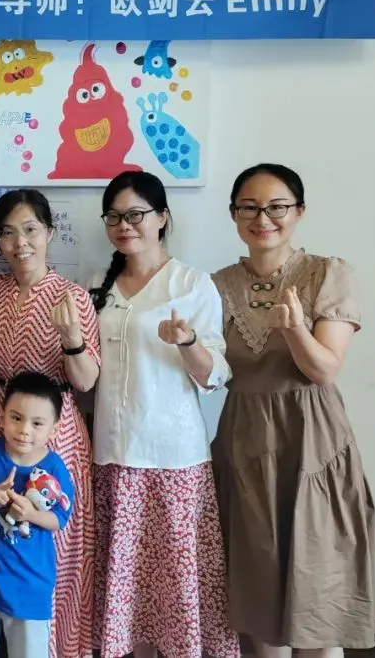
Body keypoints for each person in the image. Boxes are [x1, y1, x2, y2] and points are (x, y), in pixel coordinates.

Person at [211, 163, 375, 658]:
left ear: (299, 211)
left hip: (312, 443)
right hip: (244, 442)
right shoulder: (215, 286)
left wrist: (296, 330)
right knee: (257, 590)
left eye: (277, 206)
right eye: (249, 207)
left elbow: (324, 370)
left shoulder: (328, 274)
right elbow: (208, 371)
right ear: (234, 214)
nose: (263, 218)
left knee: (318, 592)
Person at [87, 171, 239, 658]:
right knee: (126, 585)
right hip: (112, 453)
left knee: (174, 582)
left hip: (173, 459)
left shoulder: (191, 284)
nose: (124, 225)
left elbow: (215, 374)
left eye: (136, 215)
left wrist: (188, 342)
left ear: (162, 218)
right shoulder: (97, 285)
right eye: (114, 217)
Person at [0, 188, 99, 658]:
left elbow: (86, 381)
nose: (20, 242)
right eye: (8, 233)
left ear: (50, 233)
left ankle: (56, 647)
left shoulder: (73, 296)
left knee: (50, 543)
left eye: (30, 230)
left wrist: (72, 340)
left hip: (54, 431)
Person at [0, 372, 75, 658]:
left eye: (37, 424)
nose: (24, 430)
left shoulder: (55, 467)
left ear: (54, 429)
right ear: (2, 416)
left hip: (30, 588)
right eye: (16, 418)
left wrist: (31, 514)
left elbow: (59, 520)